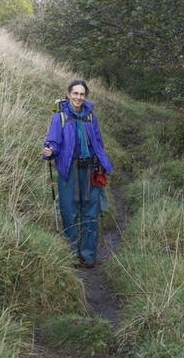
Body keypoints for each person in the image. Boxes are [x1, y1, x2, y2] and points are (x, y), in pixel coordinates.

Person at [42, 80, 113, 268]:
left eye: (82, 94)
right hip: (68, 170)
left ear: (85, 96)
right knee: (69, 212)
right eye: (75, 93)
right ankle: (72, 255)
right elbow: (53, 141)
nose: (78, 97)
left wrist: (103, 163)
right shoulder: (60, 117)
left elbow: (98, 142)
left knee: (91, 213)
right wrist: (49, 151)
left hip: (90, 169)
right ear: (68, 94)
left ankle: (88, 256)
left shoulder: (91, 117)